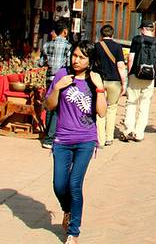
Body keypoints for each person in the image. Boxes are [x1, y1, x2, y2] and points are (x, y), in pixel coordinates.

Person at [44, 40, 107, 244]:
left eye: (81, 57)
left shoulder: (94, 79)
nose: (76, 60)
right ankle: (67, 210)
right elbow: (49, 105)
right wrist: (57, 88)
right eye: (74, 55)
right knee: (59, 185)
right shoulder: (62, 75)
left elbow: (102, 112)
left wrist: (99, 89)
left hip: (85, 141)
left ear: (90, 60)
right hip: (62, 139)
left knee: (74, 184)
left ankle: (73, 231)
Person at [120, 19, 156, 142]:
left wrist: (130, 73)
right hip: (149, 78)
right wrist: (154, 75)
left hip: (135, 75)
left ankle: (128, 130)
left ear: (143, 29)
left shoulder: (136, 39)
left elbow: (131, 58)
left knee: (131, 102)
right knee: (145, 104)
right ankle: (139, 134)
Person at [39, 19, 71, 149]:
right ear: (65, 31)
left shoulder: (46, 45)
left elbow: (41, 63)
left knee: (49, 106)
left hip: (49, 78)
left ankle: (47, 134)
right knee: (57, 109)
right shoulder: (68, 46)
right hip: (61, 79)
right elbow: (69, 64)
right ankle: (49, 139)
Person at [94, 25, 127, 147]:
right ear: (112, 34)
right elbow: (120, 66)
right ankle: (109, 137)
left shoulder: (96, 46)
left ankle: (100, 139)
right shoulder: (118, 47)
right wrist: (124, 83)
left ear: (101, 34)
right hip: (114, 82)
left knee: (100, 110)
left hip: (100, 81)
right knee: (112, 109)